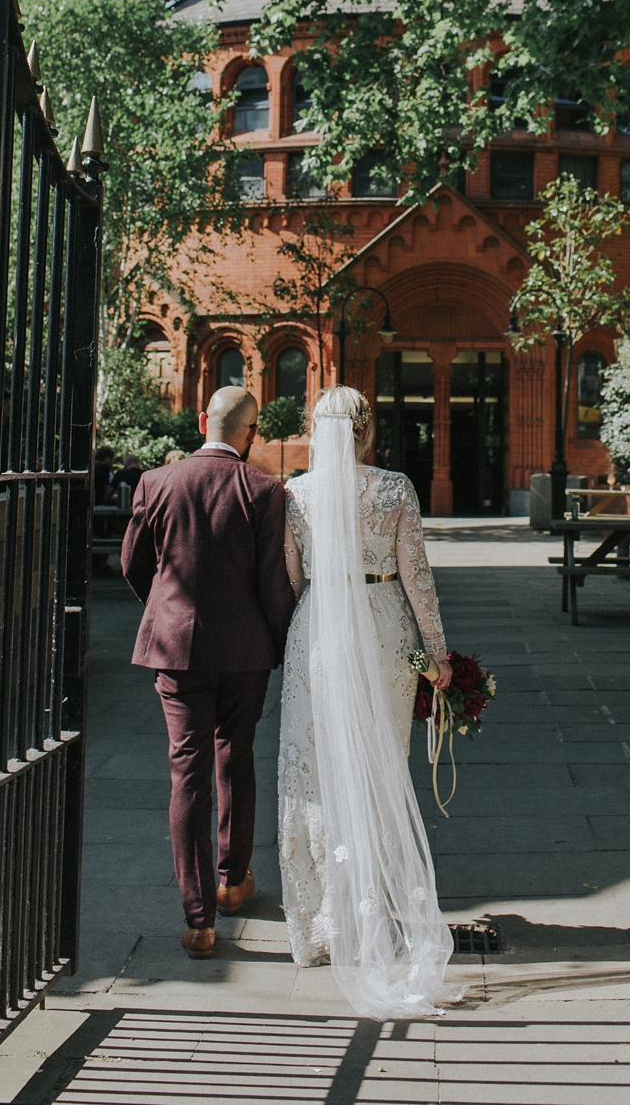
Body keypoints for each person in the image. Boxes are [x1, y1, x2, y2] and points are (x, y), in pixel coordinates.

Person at [278, 385, 462, 1018]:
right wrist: (438, 654)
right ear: (367, 429)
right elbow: (418, 575)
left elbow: (293, 577)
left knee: (316, 770)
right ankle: (377, 909)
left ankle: (324, 923)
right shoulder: (395, 489)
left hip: (320, 630)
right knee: (381, 765)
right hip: (384, 624)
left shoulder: (295, 493)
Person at [121, 386, 296, 960]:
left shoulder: (157, 482)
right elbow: (274, 582)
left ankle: (199, 921)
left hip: (176, 648)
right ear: (251, 435)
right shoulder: (266, 490)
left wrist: (166, 605)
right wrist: (279, 640)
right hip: (245, 649)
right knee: (235, 758)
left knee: (186, 773)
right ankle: (233, 881)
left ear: (202, 421)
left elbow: (133, 563)